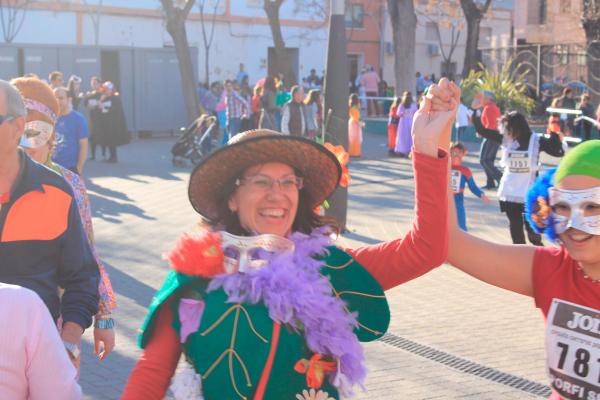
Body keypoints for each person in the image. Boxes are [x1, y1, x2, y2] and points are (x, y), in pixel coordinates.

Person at [122, 78, 459, 399]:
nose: (277, 194)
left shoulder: (329, 269)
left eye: (287, 182)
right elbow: (151, 374)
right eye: (260, 181)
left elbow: (426, 249)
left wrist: (427, 148)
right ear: (231, 198)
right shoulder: (195, 274)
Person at [445, 138, 600, 400]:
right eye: (563, 206)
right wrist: (432, 147)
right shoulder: (552, 268)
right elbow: (449, 243)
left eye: (593, 206)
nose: (575, 224)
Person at [0, 78, 100, 371]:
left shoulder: (59, 191)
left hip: (36, 358)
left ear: (18, 127)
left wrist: (68, 339)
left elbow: (83, 274)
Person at [15, 77, 117, 360]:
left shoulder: (68, 183)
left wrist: (104, 319)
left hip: (57, 322)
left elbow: (89, 257)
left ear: (51, 136)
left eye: (36, 134)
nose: (27, 146)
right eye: (18, 135)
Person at [471, 92, 564, 245]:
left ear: (518, 127)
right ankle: (521, 262)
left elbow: (557, 151)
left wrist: (554, 133)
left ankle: (539, 258)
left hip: (529, 193)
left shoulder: (536, 141)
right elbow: (482, 131)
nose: (506, 131)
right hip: (510, 193)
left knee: (533, 233)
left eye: (508, 128)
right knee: (515, 230)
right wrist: (475, 110)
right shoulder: (506, 139)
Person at [0, 283, 82, 399]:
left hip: (58, 332)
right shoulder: (24, 302)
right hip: (41, 328)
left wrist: (104, 325)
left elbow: (96, 287)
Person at [450, 142, 490, 231]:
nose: (456, 155)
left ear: (463, 154)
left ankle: (463, 241)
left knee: (461, 224)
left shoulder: (465, 171)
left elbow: (473, 187)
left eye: (459, 152)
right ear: (449, 153)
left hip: (458, 199)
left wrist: (481, 195)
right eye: (453, 152)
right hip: (444, 199)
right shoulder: (444, 167)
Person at [52, 86, 90, 174]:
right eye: (55, 98)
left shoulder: (78, 119)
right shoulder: (50, 117)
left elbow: (83, 146)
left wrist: (78, 169)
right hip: (51, 167)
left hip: (70, 168)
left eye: (61, 98)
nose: (57, 101)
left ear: (69, 100)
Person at [96, 81, 130, 163]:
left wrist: (105, 107)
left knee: (112, 140)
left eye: (108, 89)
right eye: (105, 89)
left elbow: (115, 110)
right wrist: (101, 102)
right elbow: (100, 109)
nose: (106, 91)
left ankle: (114, 157)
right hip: (106, 123)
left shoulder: (115, 98)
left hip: (113, 123)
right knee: (107, 140)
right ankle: (110, 156)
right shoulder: (104, 98)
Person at [477, 90, 503, 189]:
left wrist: (482, 132)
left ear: (488, 99)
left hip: (491, 136)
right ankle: (491, 182)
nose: (481, 100)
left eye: (483, 98)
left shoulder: (489, 108)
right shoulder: (492, 107)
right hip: (493, 136)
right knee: (488, 160)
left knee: (484, 160)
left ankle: (500, 178)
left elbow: (491, 125)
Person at [83, 76, 106, 161]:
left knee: (103, 136)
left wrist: (99, 104)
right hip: (93, 118)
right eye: (92, 83)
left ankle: (104, 154)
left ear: (100, 84)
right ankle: (93, 155)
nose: (93, 85)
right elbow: (86, 104)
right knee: (93, 136)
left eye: (95, 83)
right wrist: (88, 102)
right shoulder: (90, 94)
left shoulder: (103, 94)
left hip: (102, 118)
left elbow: (106, 105)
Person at [394, 91, 417, 158]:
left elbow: (398, 114)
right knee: (410, 136)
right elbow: (416, 113)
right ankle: (410, 150)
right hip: (410, 121)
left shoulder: (402, 105)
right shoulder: (413, 105)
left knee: (403, 136)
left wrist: (404, 114)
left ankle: (403, 150)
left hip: (403, 121)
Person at [348, 93, 362, 157]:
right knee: (356, 139)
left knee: (352, 138)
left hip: (352, 123)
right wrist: (361, 123)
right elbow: (357, 117)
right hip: (355, 124)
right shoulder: (355, 108)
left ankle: (352, 152)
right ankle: (355, 153)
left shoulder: (351, 107)